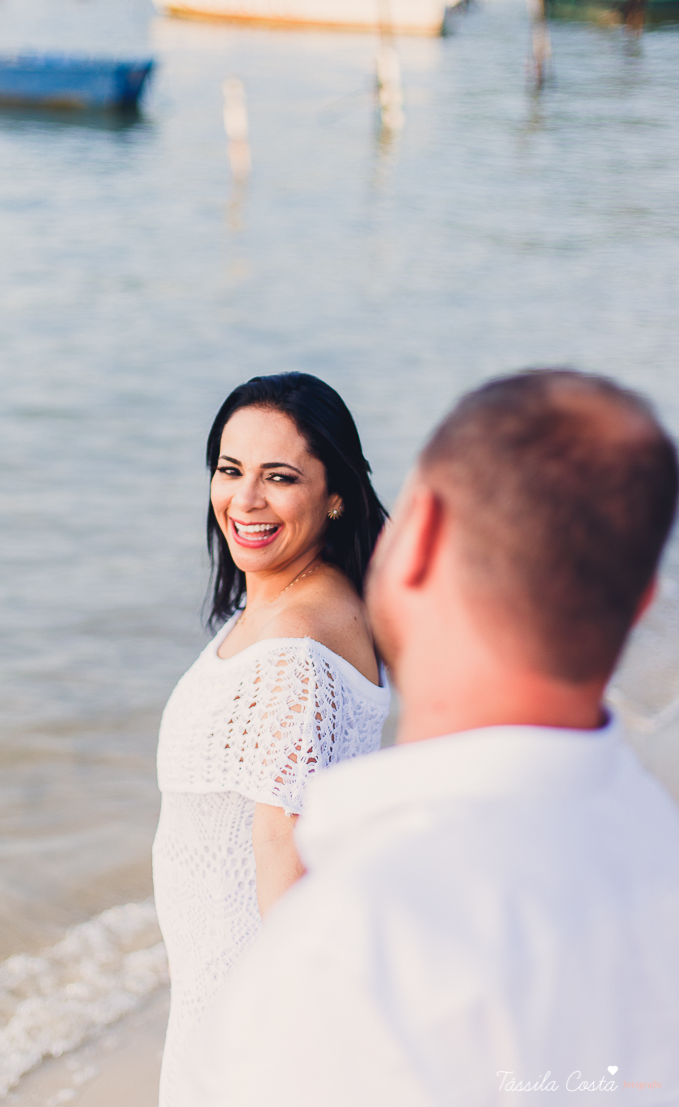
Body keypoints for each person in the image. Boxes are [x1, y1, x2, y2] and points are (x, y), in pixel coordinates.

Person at [190, 369, 679, 1106]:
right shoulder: (655, 841)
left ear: (414, 548)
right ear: (641, 601)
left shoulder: (359, 938)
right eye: (230, 470)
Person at [152, 371, 391, 1106]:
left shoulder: (294, 649)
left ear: (335, 493)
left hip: (248, 1015)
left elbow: (284, 844)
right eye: (229, 470)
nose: (245, 500)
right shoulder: (295, 606)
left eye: (279, 477)